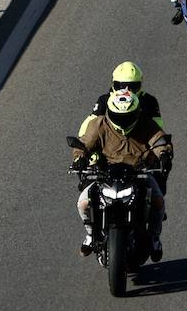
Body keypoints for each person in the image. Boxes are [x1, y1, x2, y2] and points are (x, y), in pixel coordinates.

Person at [71, 89, 173, 261]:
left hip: (139, 172)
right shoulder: (99, 124)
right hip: (106, 173)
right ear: (110, 112)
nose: (123, 120)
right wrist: (79, 158)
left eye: (127, 116)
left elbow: (159, 140)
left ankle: (155, 238)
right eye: (119, 116)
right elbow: (83, 144)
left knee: (158, 200)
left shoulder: (146, 123)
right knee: (83, 203)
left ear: (136, 112)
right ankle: (90, 235)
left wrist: (164, 155)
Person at [83, 61, 165, 133]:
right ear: (113, 84)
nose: (126, 91)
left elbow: (157, 126)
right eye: (121, 86)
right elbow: (91, 121)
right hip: (109, 142)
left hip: (140, 143)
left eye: (132, 86)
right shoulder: (104, 100)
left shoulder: (149, 100)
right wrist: (82, 140)